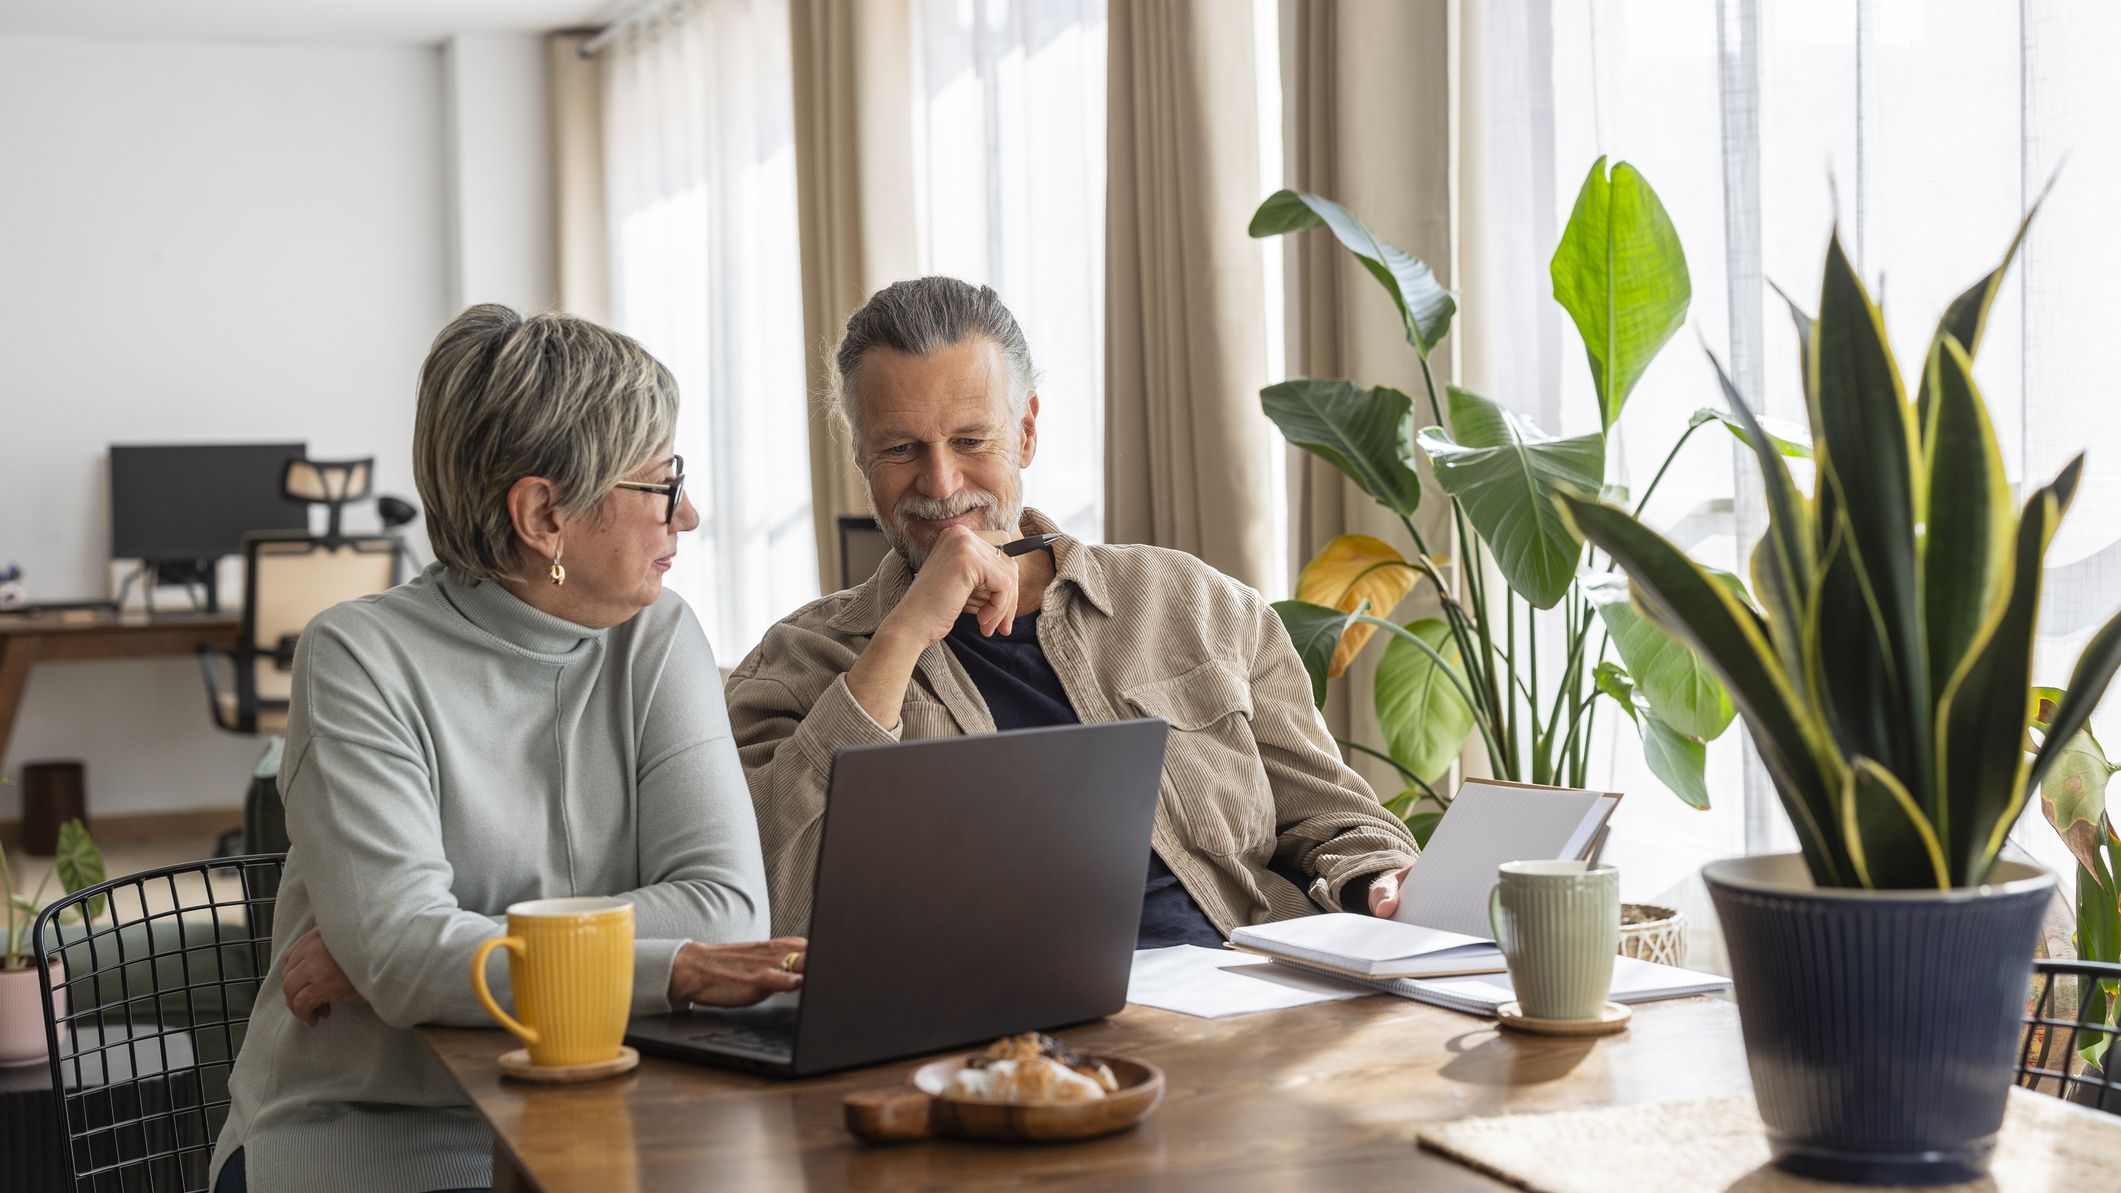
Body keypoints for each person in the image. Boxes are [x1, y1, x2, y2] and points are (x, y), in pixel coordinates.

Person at [210, 306, 804, 1193]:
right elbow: (411, 953)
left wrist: (442, 953)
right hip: (380, 1137)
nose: (688, 511)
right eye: (660, 481)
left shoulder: (658, 635)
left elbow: (724, 913)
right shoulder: (357, 658)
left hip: (612, 1111)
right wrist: (664, 964)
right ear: (543, 515)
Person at [725, 277, 1419, 946]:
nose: (939, 484)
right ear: (859, 453)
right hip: (991, 1038)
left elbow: (1339, 820)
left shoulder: (1200, 604)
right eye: (901, 448)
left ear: (1024, 432)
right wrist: (903, 633)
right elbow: (762, 904)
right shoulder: (794, 666)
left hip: (1243, 996)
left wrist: (1380, 879)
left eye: (971, 441)